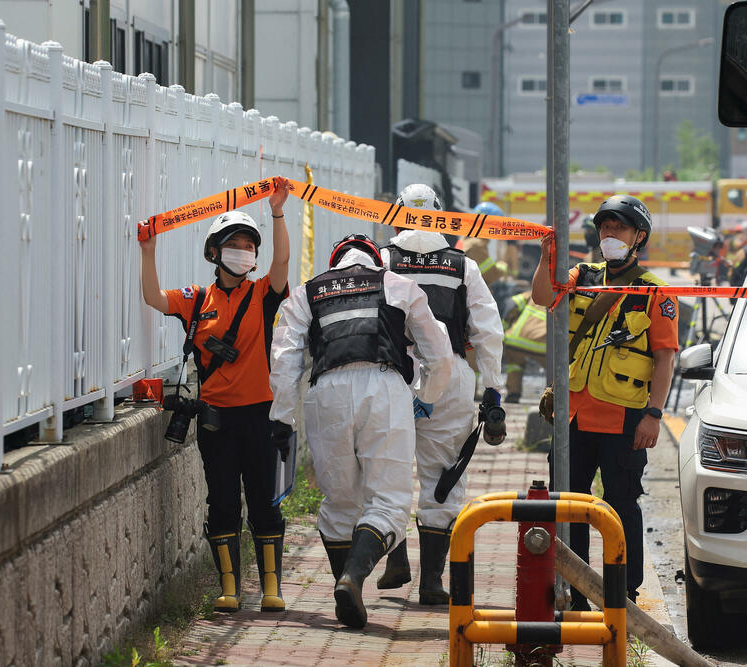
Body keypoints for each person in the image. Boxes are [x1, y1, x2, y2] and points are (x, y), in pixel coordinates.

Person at [268, 233, 453, 629]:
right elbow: (439, 353)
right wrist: (424, 394)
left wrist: (283, 418)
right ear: (376, 260)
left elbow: (284, 359)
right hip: (384, 388)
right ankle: (352, 578)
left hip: (325, 393)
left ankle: (344, 590)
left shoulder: (307, 291)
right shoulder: (398, 285)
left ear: (335, 261)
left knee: (338, 501)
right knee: (389, 499)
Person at [139, 177, 291, 614]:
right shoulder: (197, 298)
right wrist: (147, 251)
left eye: (249, 245)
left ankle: (271, 589)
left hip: (259, 417)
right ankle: (229, 589)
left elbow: (281, 263)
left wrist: (277, 213)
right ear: (214, 252)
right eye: (234, 244)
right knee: (222, 500)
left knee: (264, 500)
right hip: (215, 420)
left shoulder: (263, 294)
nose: (243, 252)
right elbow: (153, 297)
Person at [531, 194, 678, 610]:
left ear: (639, 237)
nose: (610, 234)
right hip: (573, 417)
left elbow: (666, 358)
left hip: (624, 419)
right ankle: (575, 591)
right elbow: (543, 298)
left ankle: (623, 594)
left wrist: (653, 415)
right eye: (605, 227)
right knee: (570, 503)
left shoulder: (656, 292)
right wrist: (547, 259)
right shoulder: (582, 274)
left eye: (620, 228)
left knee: (621, 505)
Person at [374, 184, 505, 605]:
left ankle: (396, 559)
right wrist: (493, 392)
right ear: (441, 216)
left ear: (396, 215)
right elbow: (487, 330)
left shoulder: (381, 260)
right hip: (450, 377)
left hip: (392, 375)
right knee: (443, 476)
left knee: (384, 470)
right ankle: (431, 579)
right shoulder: (461, 266)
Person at [502, 290, 547, 403]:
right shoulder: (564, 295)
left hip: (516, 340)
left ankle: (513, 393)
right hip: (544, 345)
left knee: (514, 365)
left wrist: (504, 328)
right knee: (554, 369)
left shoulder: (533, 294)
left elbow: (512, 304)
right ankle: (551, 398)